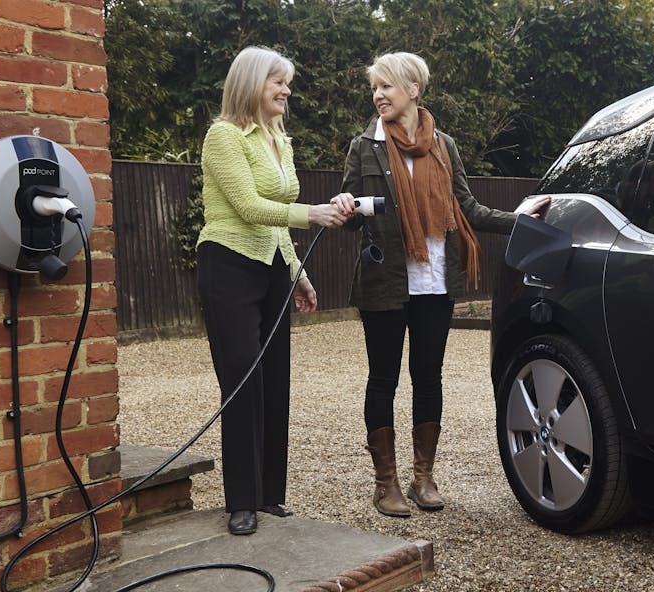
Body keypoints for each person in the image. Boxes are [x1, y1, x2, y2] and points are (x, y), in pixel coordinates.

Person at [337, 52, 550, 517]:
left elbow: (467, 208)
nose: (378, 95)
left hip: (434, 278)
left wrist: (518, 219)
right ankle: (386, 484)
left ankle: (424, 477)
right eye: (374, 88)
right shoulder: (364, 147)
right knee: (383, 379)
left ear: (413, 90)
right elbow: (353, 218)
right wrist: (345, 207)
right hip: (384, 282)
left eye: (386, 86)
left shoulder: (444, 145)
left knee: (428, 376)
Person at [196, 46, 352, 535]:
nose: (286, 90)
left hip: (273, 268)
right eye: (277, 81)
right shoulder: (224, 136)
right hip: (228, 264)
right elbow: (247, 206)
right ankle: (241, 501)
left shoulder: (279, 138)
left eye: (287, 82)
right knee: (242, 378)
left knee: (273, 379)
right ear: (251, 84)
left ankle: (268, 495)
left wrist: (297, 271)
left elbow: (276, 220)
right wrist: (313, 214)